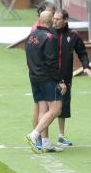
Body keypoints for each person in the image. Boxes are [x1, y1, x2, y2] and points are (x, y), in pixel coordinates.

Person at [25, 10, 66, 153]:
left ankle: (45, 142)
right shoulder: (49, 37)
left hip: (34, 77)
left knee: (43, 109)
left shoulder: (31, 35)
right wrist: (60, 81)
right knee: (56, 109)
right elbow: (52, 62)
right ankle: (34, 135)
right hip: (46, 78)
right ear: (50, 21)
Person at [52, 8, 91, 147]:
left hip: (65, 78)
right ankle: (41, 137)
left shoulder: (73, 36)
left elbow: (82, 53)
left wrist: (86, 67)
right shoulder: (49, 34)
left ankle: (61, 136)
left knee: (62, 108)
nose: (55, 21)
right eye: (54, 18)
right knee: (45, 107)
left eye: (58, 19)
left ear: (65, 20)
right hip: (49, 76)